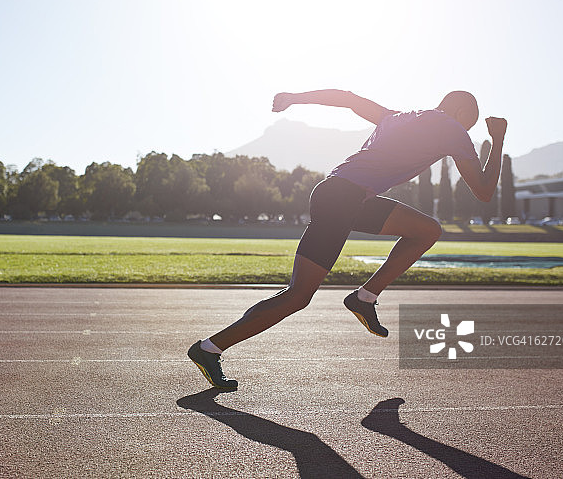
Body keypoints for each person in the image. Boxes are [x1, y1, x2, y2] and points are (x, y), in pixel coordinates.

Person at [187, 89, 507, 390]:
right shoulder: (452, 128)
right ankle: (209, 348)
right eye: (469, 124)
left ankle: (364, 298)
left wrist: (295, 97)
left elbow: (347, 98)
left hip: (342, 194)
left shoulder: (395, 117)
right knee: (297, 296)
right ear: (461, 111)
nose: (465, 135)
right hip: (343, 199)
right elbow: (483, 191)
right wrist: (497, 140)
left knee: (427, 230)